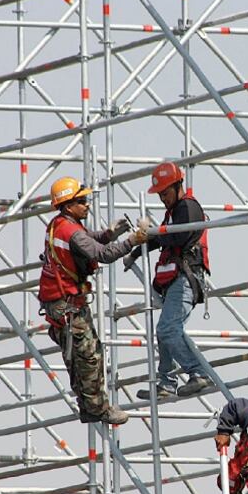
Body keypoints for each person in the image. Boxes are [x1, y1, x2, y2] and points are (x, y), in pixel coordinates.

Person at [38, 176, 148, 425]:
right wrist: (131, 241)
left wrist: (108, 234)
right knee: (88, 357)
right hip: (67, 305)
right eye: (82, 201)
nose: (87, 204)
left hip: (61, 303)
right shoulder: (70, 231)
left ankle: (88, 407)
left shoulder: (59, 225)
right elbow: (102, 254)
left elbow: (88, 241)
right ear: (68, 206)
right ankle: (99, 410)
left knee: (79, 357)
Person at [129, 162, 212, 400]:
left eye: (165, 193)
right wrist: (137, 249)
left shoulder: (187, 207)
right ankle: (166, 382)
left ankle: (198, 373)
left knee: (168, 328)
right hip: (177, 278)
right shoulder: (175, 211)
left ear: (177, 186)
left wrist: (151, 232)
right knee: (164, 330)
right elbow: (163, 237)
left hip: (186, 278)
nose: (163, 198)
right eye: (160, 195)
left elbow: (179, 236)